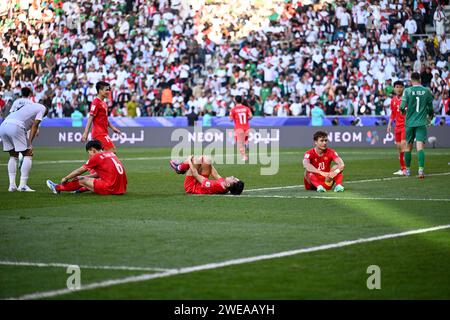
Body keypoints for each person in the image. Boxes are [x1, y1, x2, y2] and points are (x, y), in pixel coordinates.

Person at [0, 87, 47, 192]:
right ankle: (23, 185)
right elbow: (35, 125)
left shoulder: (20, 103)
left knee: (13, 155)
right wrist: (30, 143)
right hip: (16, 126)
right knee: (28, 153)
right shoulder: (42, 108)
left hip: (4, 125)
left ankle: (12, 186)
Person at [46, 140, 127, 195]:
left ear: (93, 150)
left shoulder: (97, 157)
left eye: (89, 152)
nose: (90, 155)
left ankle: (57, 188)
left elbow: (79, 171)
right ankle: (79, 189)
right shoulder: (111, 154)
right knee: (87, 178)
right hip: (121, 188)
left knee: (81, 180)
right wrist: (86, 176)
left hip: (110, 188)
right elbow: (101, 174)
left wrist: (66, 178)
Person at [399, 72, 434, 178]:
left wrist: (404, 112)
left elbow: (401, 107)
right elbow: (430, 108)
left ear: (411, 80)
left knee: (408, 147)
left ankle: (408, 171)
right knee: (420, 147)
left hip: (409, 123)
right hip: (421, 122)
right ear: (420, 79)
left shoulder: (407, 91)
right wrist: (430, 117)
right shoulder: (426, 91)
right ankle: (421, 171)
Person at [169, 155, 245, 195]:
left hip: (191, 187)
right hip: (201, 183)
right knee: (206, 159)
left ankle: (179, 168)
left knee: (196, 160)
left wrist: (189, 160)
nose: (232, 176)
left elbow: (196, 175)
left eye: (234, 179)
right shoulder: (224, 184)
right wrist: (207, 162)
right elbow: (215, 174)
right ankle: (181, 168)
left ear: (228, 184)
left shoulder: (215, 186)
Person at [82, 81, 121, 152]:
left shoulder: (104, 103)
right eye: (106, 90)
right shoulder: (96, 102)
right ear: (100, 91)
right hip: (99, 133)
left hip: (104, 132)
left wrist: (113, 128)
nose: (108, 92)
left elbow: (105, 119)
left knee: (103, 155)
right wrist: (86, 133)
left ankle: (93, 162)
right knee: (112, 151)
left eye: (109, 90)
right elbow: (91, 117)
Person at [387, 81, 407, 175]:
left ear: (403, 88)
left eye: (400, 87)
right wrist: (389, 124)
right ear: (394, 88)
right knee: (399, 148)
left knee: (403, 146)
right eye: (396, 87)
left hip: (405, 126)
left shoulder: (406, 99)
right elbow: (393, 113)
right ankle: (403, 168)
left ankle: (407, 169)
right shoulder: (393, 100)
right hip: (397, 127)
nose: (398, 89)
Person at [229, 96, 253, 161]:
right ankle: (246, 146)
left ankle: (244, 156)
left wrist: (235, 118)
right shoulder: (246, 108)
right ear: (242, 101)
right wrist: (246, 119)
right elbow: (251, 116)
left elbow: (230, 119)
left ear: (235, 101)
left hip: (239, 128)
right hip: (246, 127)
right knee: (244, 141)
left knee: (239, 143)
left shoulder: (233, 109)